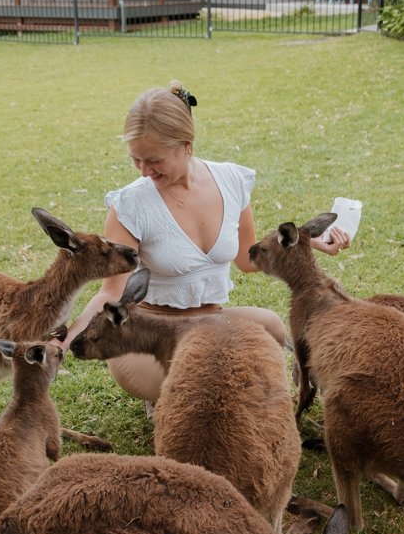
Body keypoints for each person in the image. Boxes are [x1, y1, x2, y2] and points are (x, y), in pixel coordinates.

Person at [56, 80, 350, 405]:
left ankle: (194, 393)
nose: (143, 171)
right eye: (136, 160)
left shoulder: (232, 182)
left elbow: (246, 260)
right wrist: (66, 339)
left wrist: (309, 245)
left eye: (153, 160)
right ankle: (172, 399)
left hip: (210, 322)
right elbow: (112, 292)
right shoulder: (130, 205)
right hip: (149, 333)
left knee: (272, 327)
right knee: (206, 383)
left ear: (186, 144)